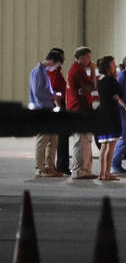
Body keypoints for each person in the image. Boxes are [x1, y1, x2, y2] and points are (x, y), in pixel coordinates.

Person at [30, 50, 66, 178]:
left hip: (49, 109)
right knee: (43, 140)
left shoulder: (45, 72)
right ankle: (39, 168)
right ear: (52, 61)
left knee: (53, 139)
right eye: (56, 65)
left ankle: (49, 167)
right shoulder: (38, 72)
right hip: (42, 110)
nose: (55, 68)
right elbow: (38, 92)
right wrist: (54, 95)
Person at [66, 46, 98, 180]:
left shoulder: (79, 69)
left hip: (82, 108)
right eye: (88, 57)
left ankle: (85, 169)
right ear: (82, 57)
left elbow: (89, 88)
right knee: (81, 141)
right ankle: (79, 170)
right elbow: (91, 86)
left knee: (86, 140)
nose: (90, 60)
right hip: (79, 109)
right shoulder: (77, 70)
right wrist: (92, 71)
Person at [96, 56, 126, 181]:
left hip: (102, 113)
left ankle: (101, 173)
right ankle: (107, 173)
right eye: (113, 65)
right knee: (111, 145)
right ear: (109, 67)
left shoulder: (100, 80)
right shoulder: (111, 80)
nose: (115, 67)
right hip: (111, 114)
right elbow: (119, 93)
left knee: (104, 145)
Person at [48, 47, 71, 175]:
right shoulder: (55, 73)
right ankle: (62, 166)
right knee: (62, 138)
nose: (64, 59)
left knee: (57, 139)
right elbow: (55, 91)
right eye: (62, 57)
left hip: (56, 105)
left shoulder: (53, 72)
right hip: (58, 105)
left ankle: (56, 166)